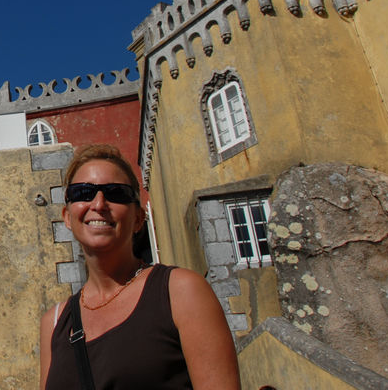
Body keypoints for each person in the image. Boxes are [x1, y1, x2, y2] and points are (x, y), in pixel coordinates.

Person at [39, 144, 240, 389]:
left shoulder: (180, 292)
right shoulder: (56, 322)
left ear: (137, 219)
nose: (99, 203)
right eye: (83, 193)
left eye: (116, 193)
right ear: (68, 217)